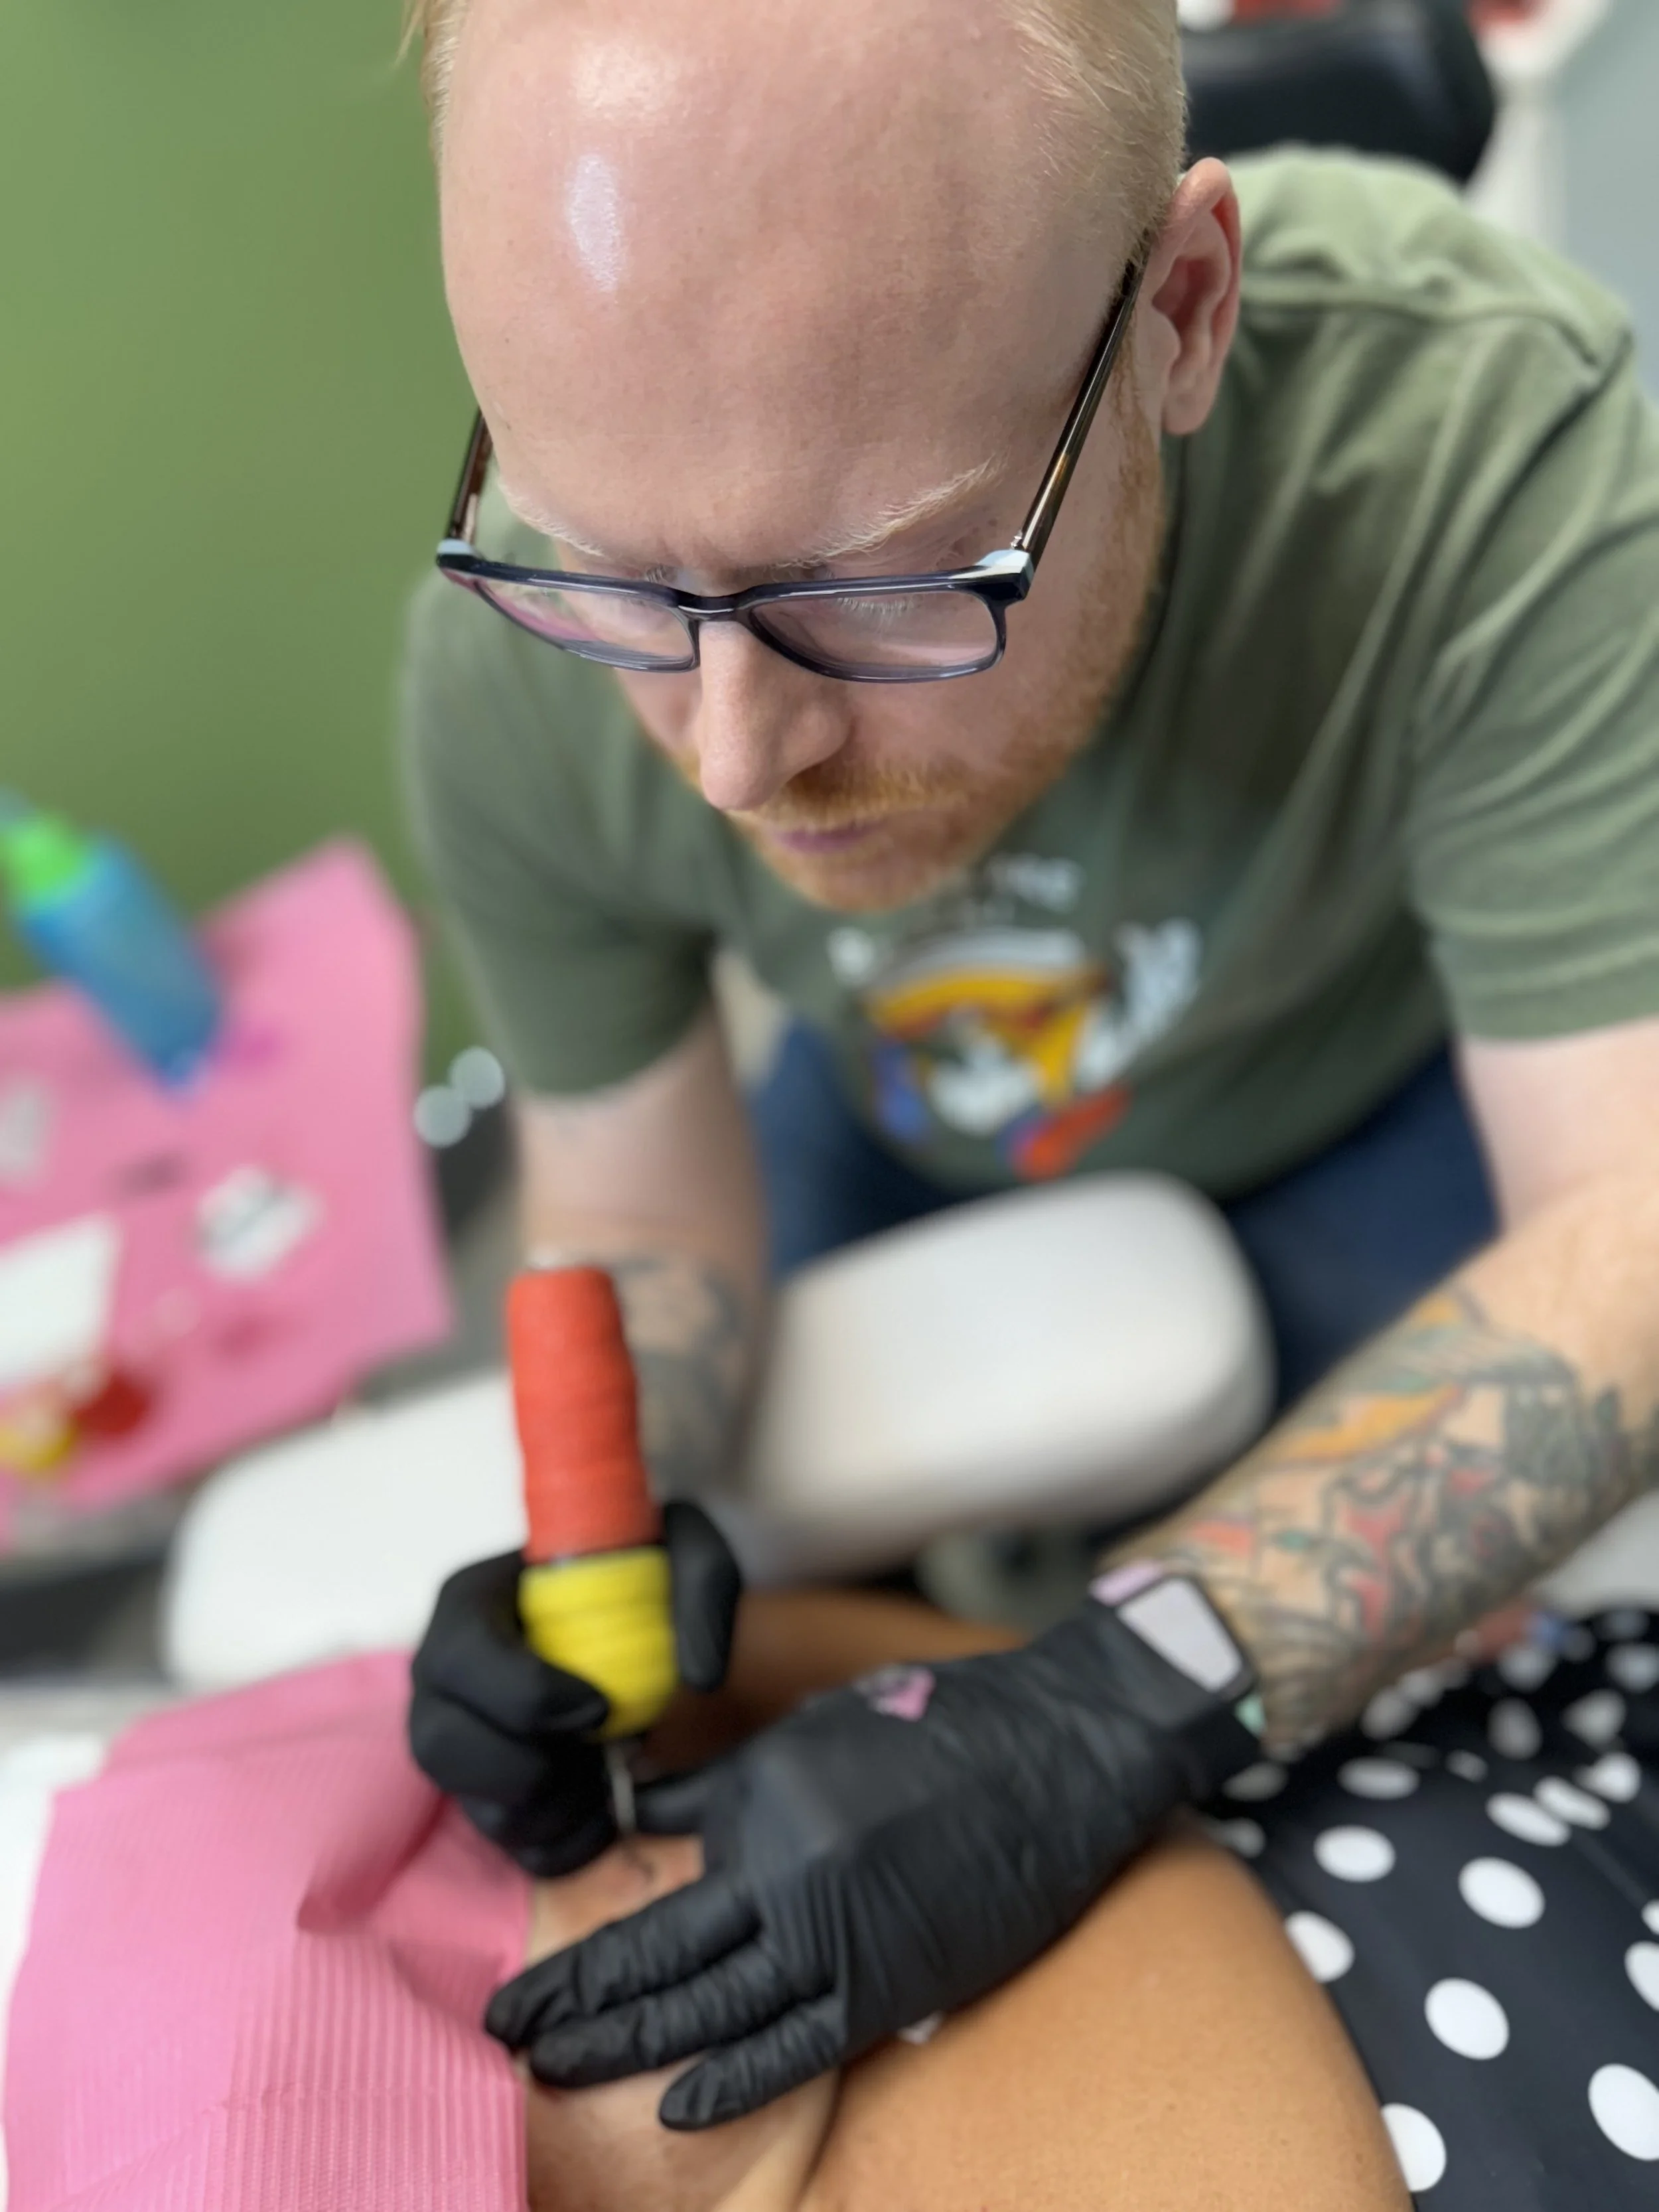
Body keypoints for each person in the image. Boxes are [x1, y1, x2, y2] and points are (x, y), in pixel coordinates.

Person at [397, 0, 1659, 2128]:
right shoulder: (506, 659)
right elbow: (634, 1198)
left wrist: (1118, 1687)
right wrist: (606, 1519)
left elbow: (1627, 1211)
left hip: (1373, 1082)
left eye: (877, 583)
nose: (733, 758)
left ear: (1179, 314)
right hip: (898, 1119)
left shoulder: (1487, 445)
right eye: (613, 572)